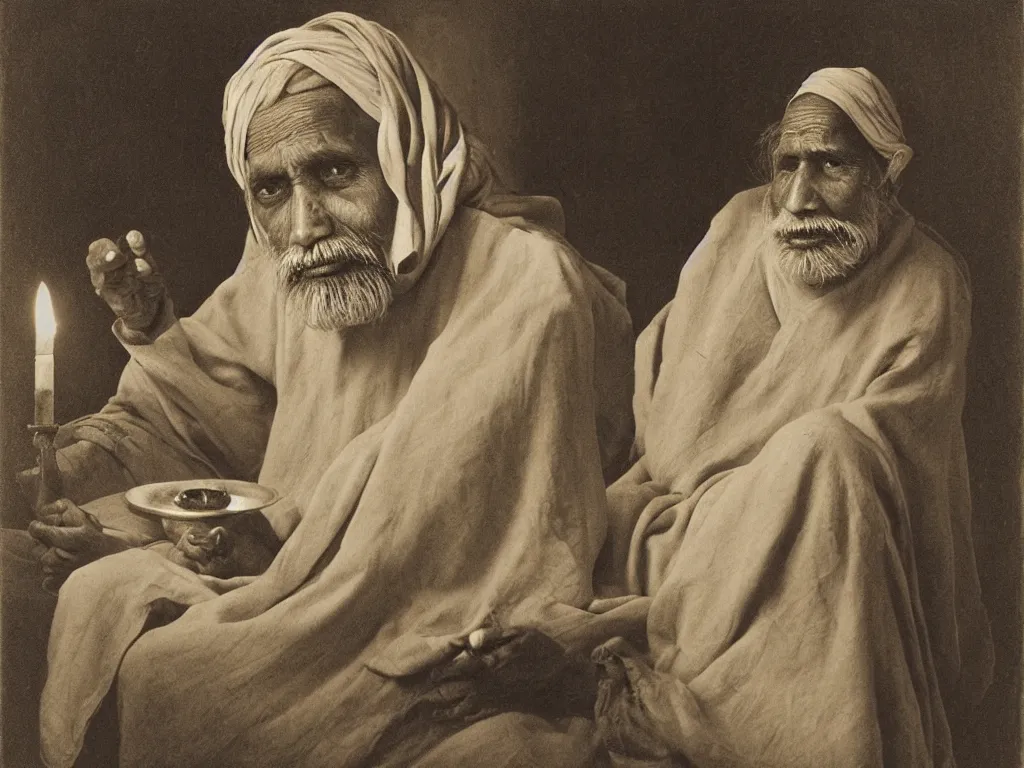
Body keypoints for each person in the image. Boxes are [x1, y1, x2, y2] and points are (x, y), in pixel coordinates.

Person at [7, 12, 636, 768]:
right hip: (297, 560)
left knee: (178, 679)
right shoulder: (297, 267)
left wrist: (248, 550)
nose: (304, 222)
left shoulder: (528, 282)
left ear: (404, 155)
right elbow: (215, 414)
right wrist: (151, 329)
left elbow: (432, 542)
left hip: (410, 603)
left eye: (336, 172)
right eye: (271, 189)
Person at [588, 67, 994, 767]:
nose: (801, 198)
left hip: (827, 543)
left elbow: (897, 465)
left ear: (884, 176)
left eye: (831, 164)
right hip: (677, 534)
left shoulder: (929, 278)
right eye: (788, 166)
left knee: (829, 449)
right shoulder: (739, 228)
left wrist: (784, 477)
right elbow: (669, 437)